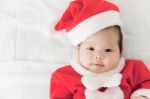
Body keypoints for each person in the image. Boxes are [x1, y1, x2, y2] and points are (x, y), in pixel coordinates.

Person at [50, 0, 150, 99]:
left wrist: (142, 95)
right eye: (91, 49)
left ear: (120, 51)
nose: (99, 56)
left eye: (108, 50)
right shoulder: (64, 77)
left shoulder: (134, 69)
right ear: (78, 50)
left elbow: (146, 83)